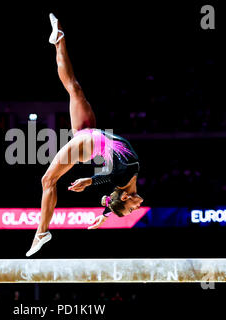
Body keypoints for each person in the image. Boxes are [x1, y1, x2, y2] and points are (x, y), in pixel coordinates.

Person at [26, 13, 143, 257]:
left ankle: (42, 231)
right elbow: (109, 182)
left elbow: (109, 180)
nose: (136, 207)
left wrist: (102, 202)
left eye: (131, 209)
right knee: (74, 89)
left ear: (125, 197)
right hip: (92, 135)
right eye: (132, 210)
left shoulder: (122, 180)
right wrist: (105, 209)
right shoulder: (126, 177)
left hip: (89, 142)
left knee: (48, 181)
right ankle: (59, 40)